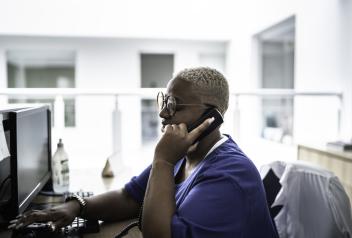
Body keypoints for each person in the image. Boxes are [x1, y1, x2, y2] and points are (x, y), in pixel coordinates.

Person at [9, 67, 278, 238]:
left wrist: (162, 160)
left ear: (212, 116)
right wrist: (75, 207)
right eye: (164, 101)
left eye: (174, 105)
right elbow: (130, 196)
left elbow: (158, 235)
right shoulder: (184, 153)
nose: (163, 113)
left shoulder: (230, 175)